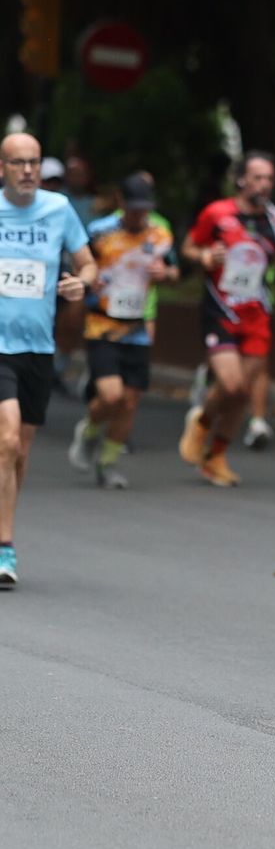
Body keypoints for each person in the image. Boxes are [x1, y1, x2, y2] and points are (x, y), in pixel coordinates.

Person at [0, 132, 96, 587]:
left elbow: (89, 263)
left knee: (20, 450)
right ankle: (4, 548)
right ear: (2, 168)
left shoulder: (59, 210)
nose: (27, 170)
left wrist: (83, 283)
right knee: (7, 436)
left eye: (33, 161)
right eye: (17, 162)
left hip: (38, 345)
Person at [178, 151, 275, 486]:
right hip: (221, 309)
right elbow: (188, 248)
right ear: (242, 179)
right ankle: (202, 423)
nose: (264, 185)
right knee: (230, 385)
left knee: (243, 392)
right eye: (258, 178)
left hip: (257, 313)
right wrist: (204, 255)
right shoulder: (217, 213)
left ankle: (216, 455)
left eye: (270, 179)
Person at [67, 174, 179, 488]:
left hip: (137, 327)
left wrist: (166, 273)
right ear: (120, 202)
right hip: (102, 324)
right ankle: (90, 429)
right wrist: (90, 280)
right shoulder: (100, 232)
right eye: (133, 208)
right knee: (111, 394)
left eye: (144, 209)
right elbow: (80, 265)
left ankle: (107, 463)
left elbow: (175, 269)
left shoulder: (159, 234)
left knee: (130, 401)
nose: (138, 215)